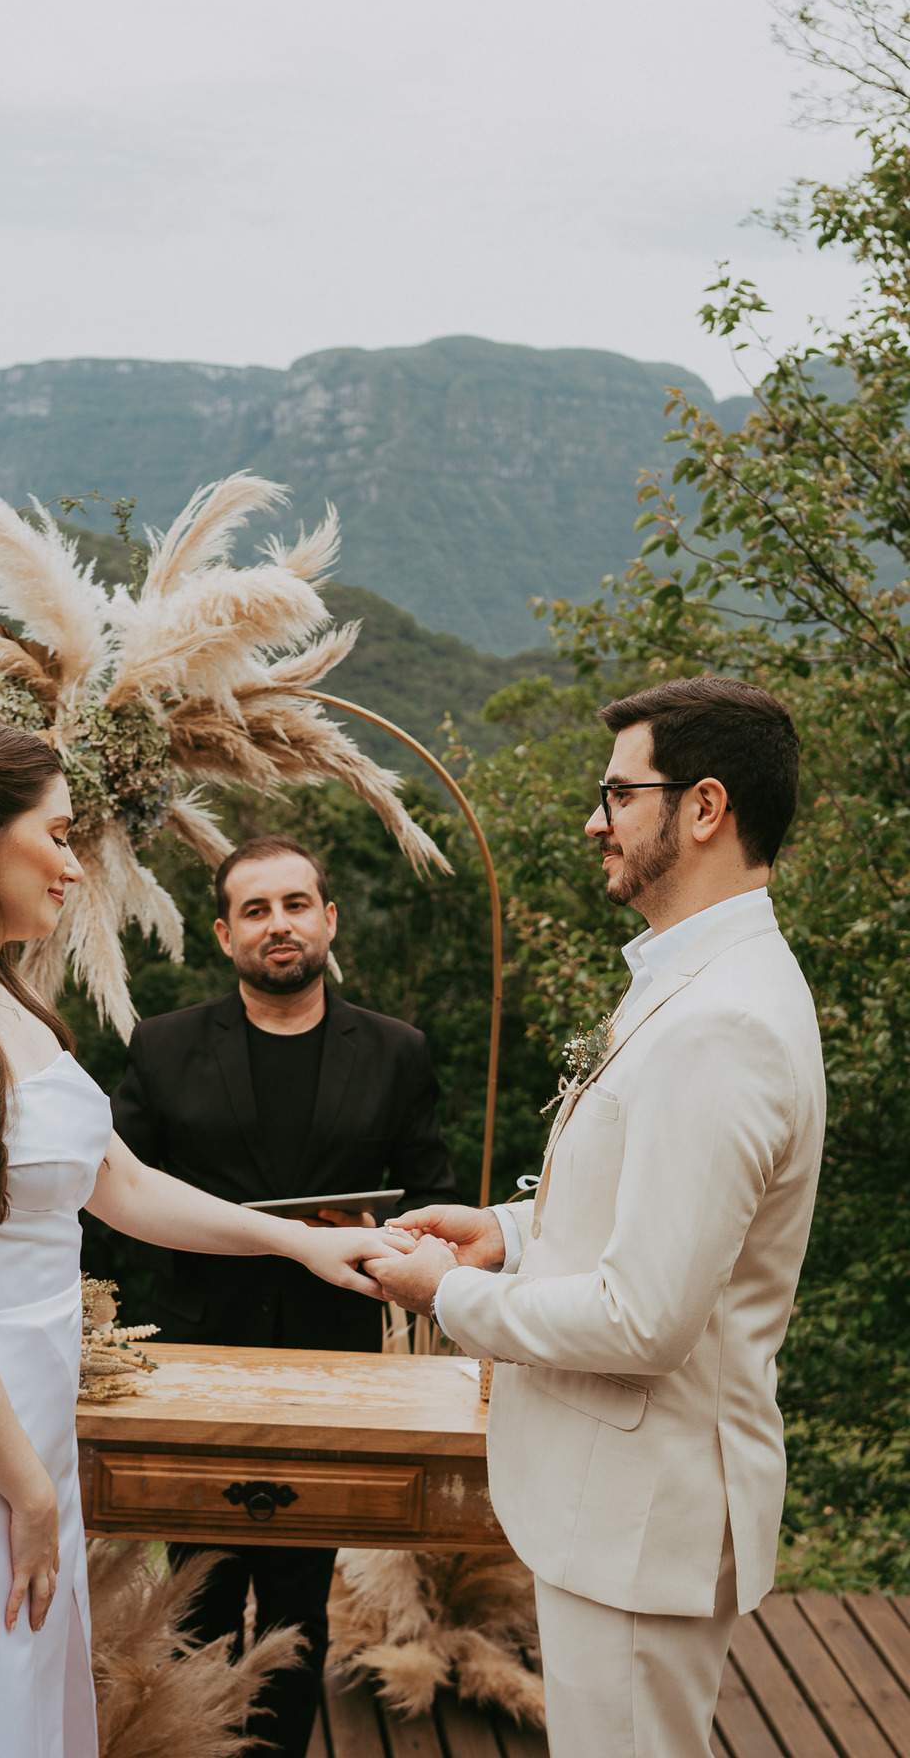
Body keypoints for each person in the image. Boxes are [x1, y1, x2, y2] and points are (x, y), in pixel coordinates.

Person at [0, 722, 405, 1758]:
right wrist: (25, 1492)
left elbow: (124, 1185)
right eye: (58, 835)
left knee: (11, 1708)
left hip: (24, 1425)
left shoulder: (4, 1004)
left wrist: (298, 1246)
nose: (74, 864)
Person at [366, 678, 826, 1758]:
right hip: (625, 1508)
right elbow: (656, 1207)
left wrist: (450, 1293)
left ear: (704, 807)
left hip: (643, 1516)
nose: (594, 818)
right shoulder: (699, 978)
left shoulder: (723, 1021)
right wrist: (509, 1233)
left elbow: (644, 1321)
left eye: (618, 793)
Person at [105, 833, 459, 1758]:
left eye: (296, 904)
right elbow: (107, 1201)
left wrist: (382, 1246)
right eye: (256, 910)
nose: (279, 925)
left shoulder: (395, 1052)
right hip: (193, 1357)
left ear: (328, 919)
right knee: (197, 1590)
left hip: (330, 1359)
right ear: (225, 934)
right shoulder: (163, 1045)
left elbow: (429, 1199)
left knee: (301, 1598)